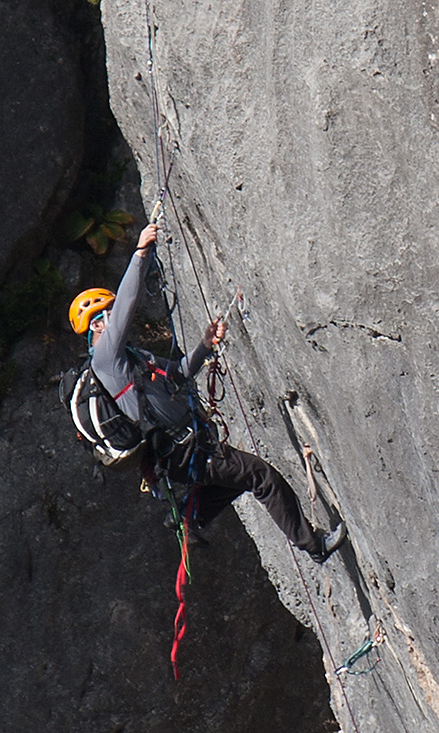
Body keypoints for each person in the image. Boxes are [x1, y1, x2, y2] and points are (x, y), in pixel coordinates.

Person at [68, 221, 346, 563]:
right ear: (96, 325)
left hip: (187, 447)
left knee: (238, 480)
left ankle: (188, 514)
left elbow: (180, 374)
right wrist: (140, 252)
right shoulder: (107, 360)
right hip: (180, 450)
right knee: (261, 476)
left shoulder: (133, 358)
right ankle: (313, 546)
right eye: (107, 315)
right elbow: (128, 302)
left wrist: (204, 345)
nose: (117, 318)